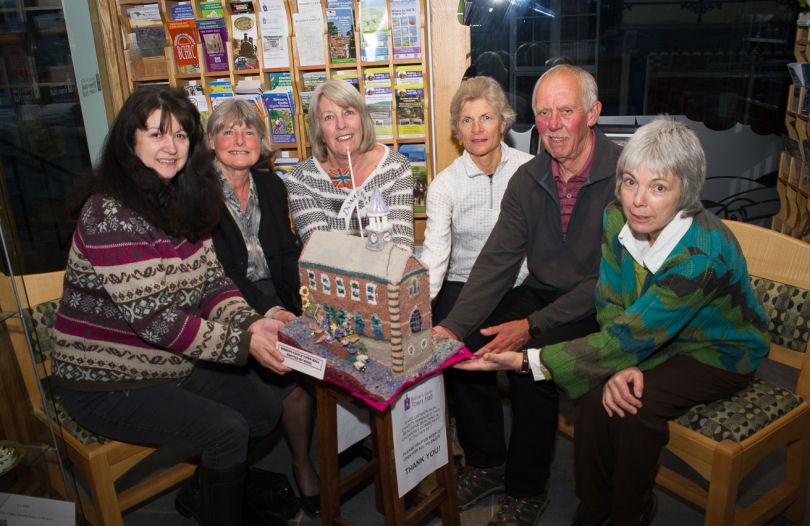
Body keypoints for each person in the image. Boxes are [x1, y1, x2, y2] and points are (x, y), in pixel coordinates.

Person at [456, 117, 769, 526]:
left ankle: (630, 512)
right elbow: (610, 300)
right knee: (593, 392)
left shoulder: (700, 256)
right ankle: (594, 506)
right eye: (630, 182)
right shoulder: (618, 218)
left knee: (633, 407)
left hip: (715, 351)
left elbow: (634, 332)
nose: (638, 199)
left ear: (685, 192)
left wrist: (524, 361)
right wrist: (621, 360)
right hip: (650, 335)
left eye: (658, 187)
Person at [51, 86, 291, 526]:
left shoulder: (183, 201)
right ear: (131, 141)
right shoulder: (110, 214)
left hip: (167, 364)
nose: (171, 147)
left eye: (181, 136)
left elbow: (213, 282)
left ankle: (206, 495)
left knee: (264, 411)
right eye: (157, 134)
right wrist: (243, 345)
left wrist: (254, 324)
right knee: (227, 431)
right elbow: (157, 322)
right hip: (106, 380)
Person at [434, 64, 621, 526]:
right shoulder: (529, 179)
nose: (553, 124)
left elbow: (605, 281)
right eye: (543, 113)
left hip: (603, 303)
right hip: (541, 289)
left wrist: (532, 326)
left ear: (593, 113)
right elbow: (497, 263)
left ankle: (526, 489)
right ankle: (487, 460)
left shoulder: (625, 177)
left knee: (531, 362)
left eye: (566, 111)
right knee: (470, 340)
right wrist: (450, 329)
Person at [207, 98, 321, 517]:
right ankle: (223, 474)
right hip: (223, 302)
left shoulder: (273, 185)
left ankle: (301, 460)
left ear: (262, 140)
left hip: (273, 293)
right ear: (211, 141)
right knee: (283, 387)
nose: (240, 140)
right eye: (228, 131)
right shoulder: (197, 193)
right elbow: (221, 272)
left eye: (249, 131)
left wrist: (309, 300)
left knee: (304, 380)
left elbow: (287, 253)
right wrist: (273, 314)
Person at [421, 75, 531, 323]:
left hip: (519, 285)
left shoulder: (529, 171)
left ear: (503, 124)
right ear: (458, 129)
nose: (477, 129)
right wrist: (416, 308)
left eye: (487, 118)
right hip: (464, 283)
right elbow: (435, 255)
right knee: (446, 353)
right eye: (467, 120)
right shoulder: (444, 184)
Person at [284, 79, 414, 249]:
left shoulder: (396, 167)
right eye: (329, 117)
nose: (341, 124)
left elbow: (401, 249)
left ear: (363, 119)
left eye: (348, 112)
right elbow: (320, 253)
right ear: (319, 131)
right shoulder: (301, 179)